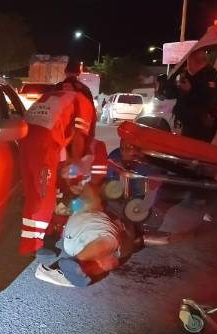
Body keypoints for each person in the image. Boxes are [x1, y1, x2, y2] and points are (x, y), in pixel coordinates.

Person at [19, 62, 97, 256]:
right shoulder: (84, 100)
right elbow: (79, 136)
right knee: (45, 194)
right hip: (46, 143)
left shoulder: (55, 91)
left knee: (36, 191)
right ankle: (37, 244)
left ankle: (43, 234)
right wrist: (74, 164)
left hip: (25, 136)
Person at [35, 163, 142, 287]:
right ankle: (75, 268)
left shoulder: (80, 206)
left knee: (81, 204)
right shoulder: (88, 207)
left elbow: (84, 194)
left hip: (85, 231)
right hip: (101, 229)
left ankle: (74, 269)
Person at [173, 49, 217, 142]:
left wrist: (190, 90)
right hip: (189, 122)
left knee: (197, 152)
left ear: (197, 62)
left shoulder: (210, 76)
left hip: (201, 125)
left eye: (188, 62)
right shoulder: (189, 75)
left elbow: (209, 102)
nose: (187, 66)